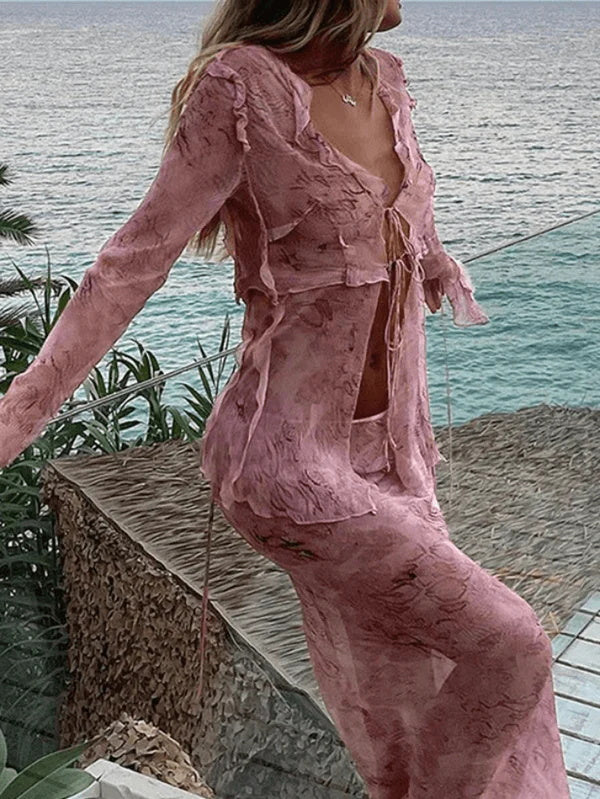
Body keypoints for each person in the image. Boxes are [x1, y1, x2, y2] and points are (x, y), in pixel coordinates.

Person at [0, 0, 570, 796]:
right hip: (288, 462)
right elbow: (130, 265)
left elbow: (395, 216)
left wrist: (434, 259)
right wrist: (16, 417)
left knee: (408, 718)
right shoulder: (242, 90)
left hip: (394, 454)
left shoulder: (385, 82)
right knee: (511, 644)